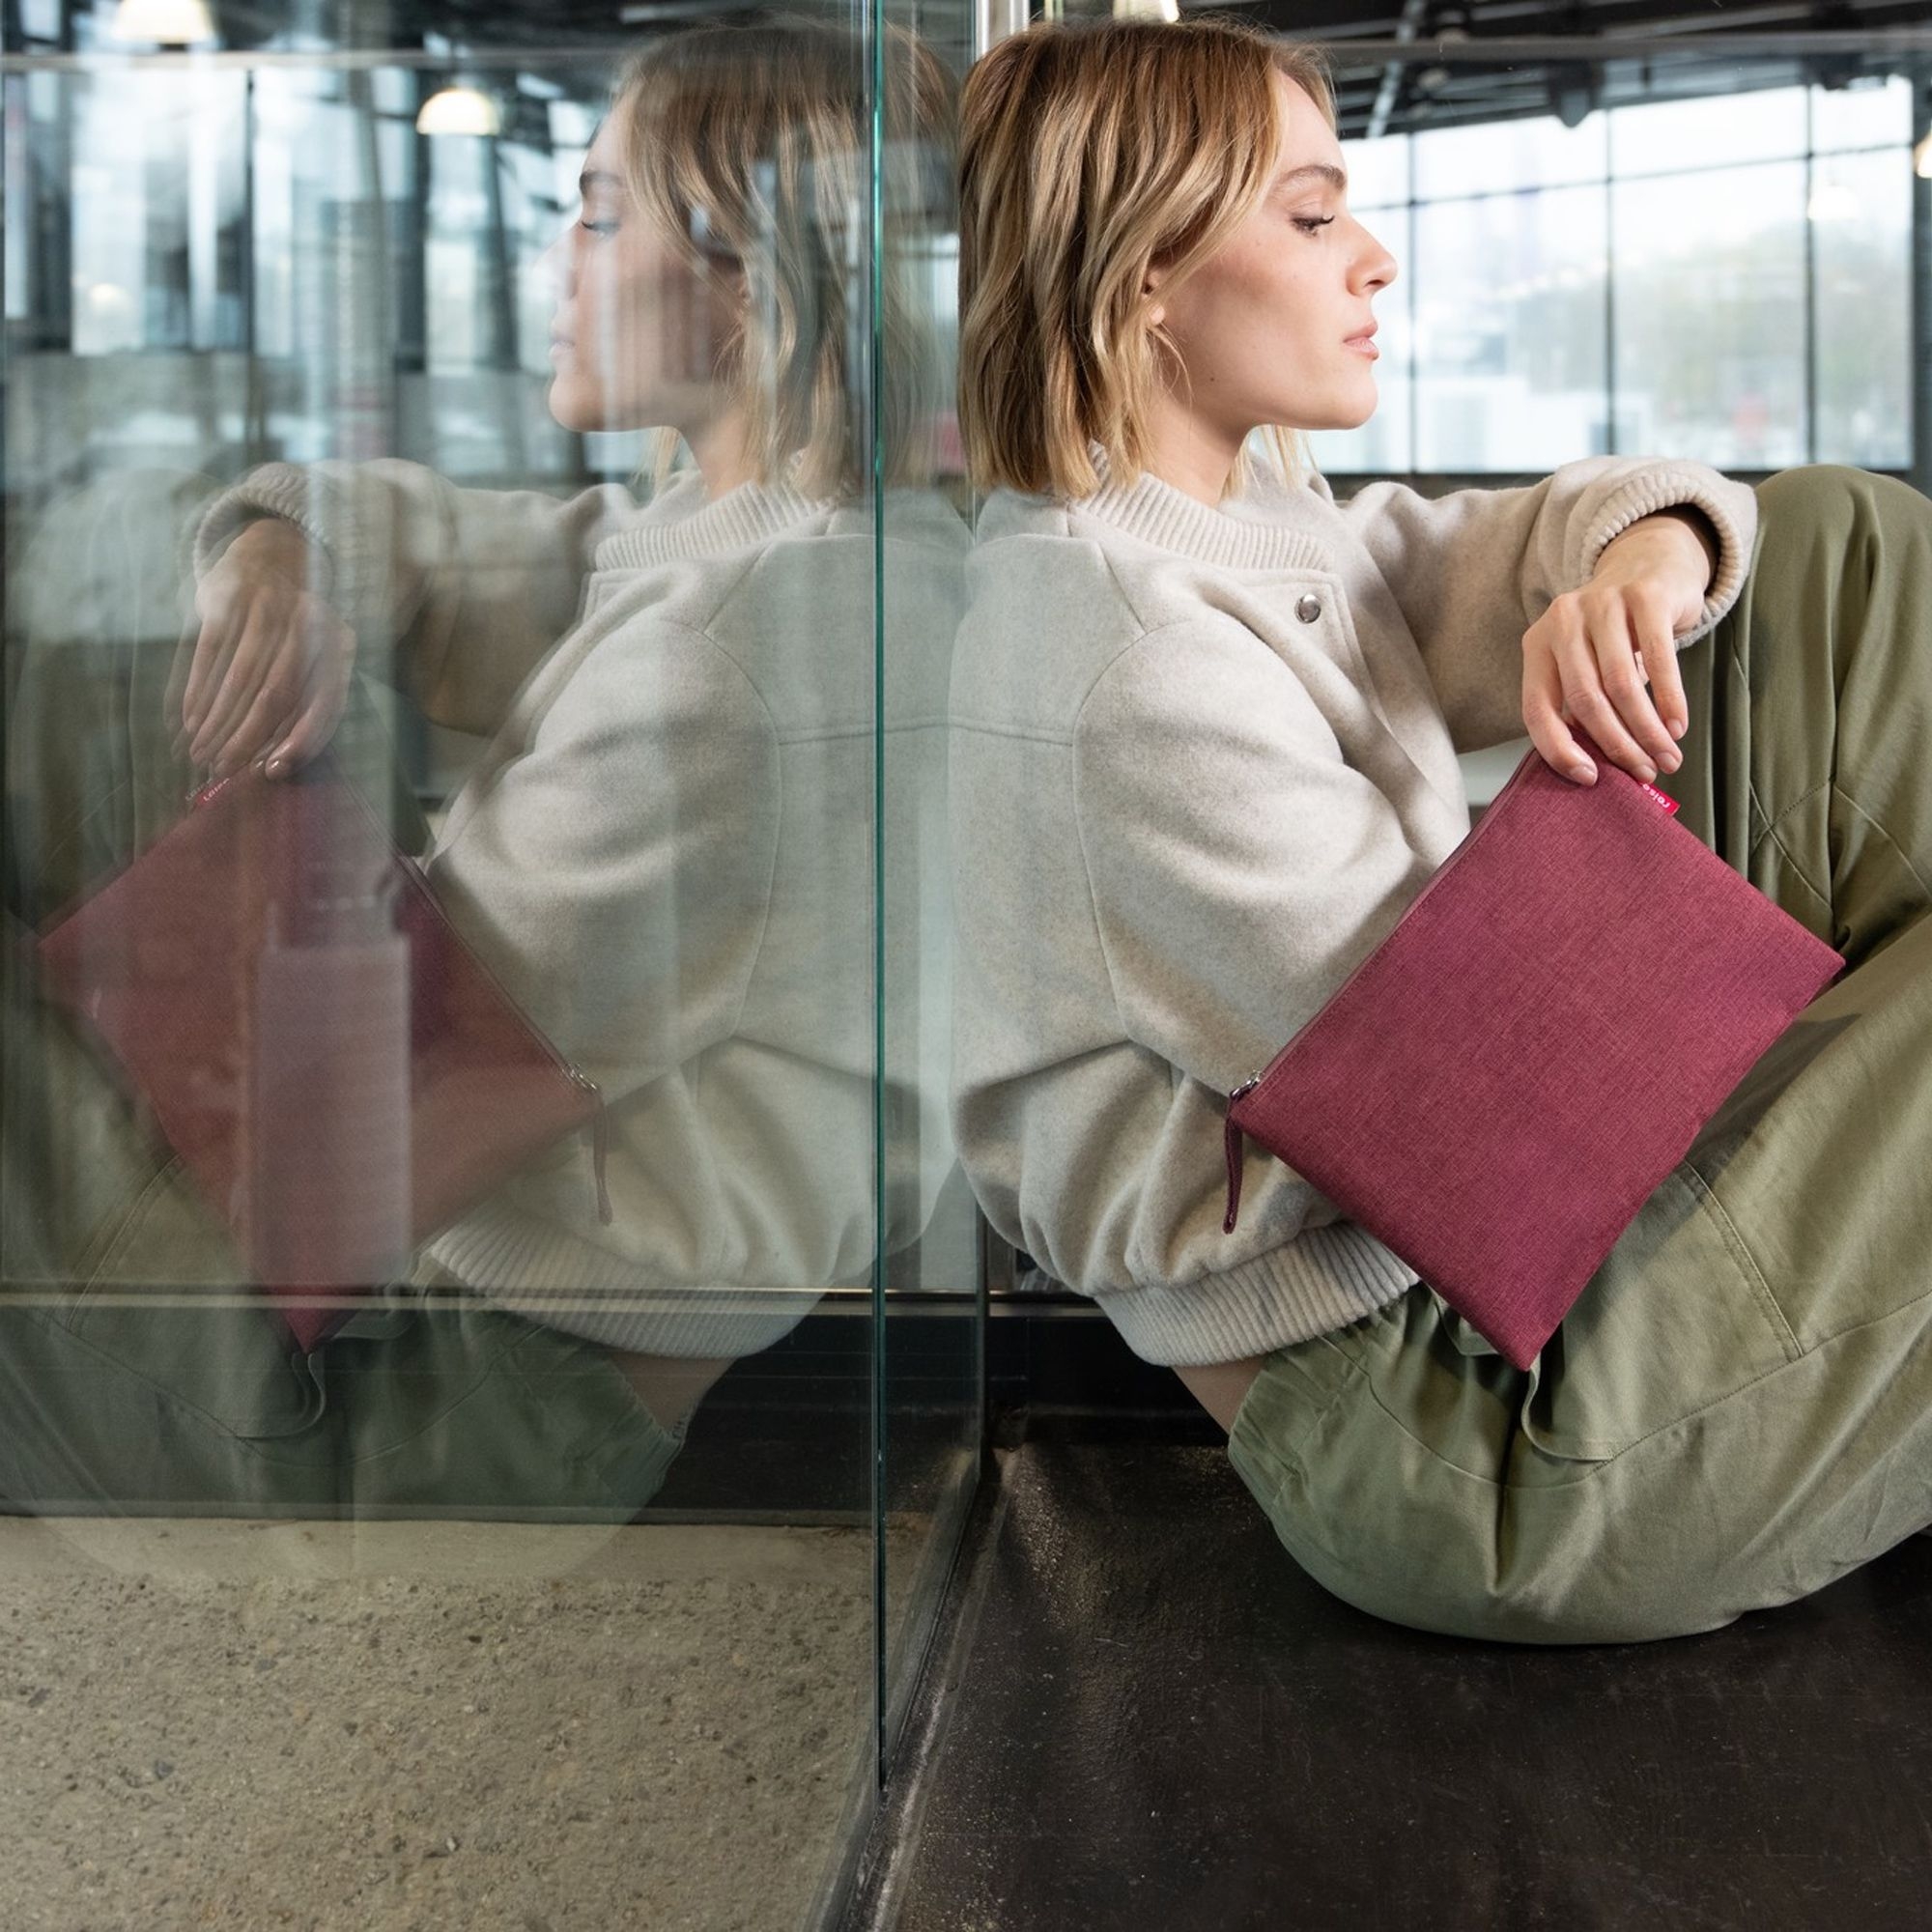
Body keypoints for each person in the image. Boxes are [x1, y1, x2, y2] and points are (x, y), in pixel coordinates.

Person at [948, 15, 1932, 1642]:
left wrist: (1634, 578)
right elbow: (1490, 1115)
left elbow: (1548, 532)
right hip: (1454, 1414)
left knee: (1838, 545)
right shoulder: (1114, 658)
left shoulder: (1239, 520)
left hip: (1491, 1263)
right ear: (1143, 280)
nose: (1375, 260)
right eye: (1316, 215)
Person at [2, 14, 965, 1518]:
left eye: (598, 210)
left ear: (753, 266)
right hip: (476, 1350)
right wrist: (282, 547)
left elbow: (344, 1127)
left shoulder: (759, 646)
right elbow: (469, 541)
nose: (558, 259)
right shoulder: (749, 550)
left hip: (436, 1416)